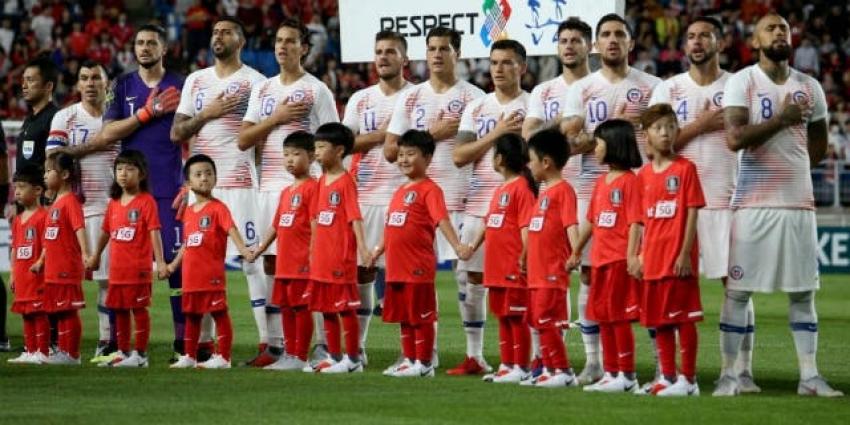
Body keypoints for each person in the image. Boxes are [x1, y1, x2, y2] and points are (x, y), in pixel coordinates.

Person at [715, 13, 843, 398]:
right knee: (738, 292)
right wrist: (784, 120)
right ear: (754, 41)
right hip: (752, 204)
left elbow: (817, 145)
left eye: (784, 28)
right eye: (771, 28)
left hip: (798, 204)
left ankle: (809, 377)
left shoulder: (810, 87)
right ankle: (731, 376)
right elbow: (735, 138)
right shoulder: (743, 81)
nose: (779, 33)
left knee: (804, 293)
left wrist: (794, 164)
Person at [648, 16, 759, 393]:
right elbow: (654, 147)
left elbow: (749, 137)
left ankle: (740, 372)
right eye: (691, 37)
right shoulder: (667, 90)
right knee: (669, 291)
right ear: (684, 46)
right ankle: (671, 373)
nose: (697, 42)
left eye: (704, 36)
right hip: (676, 210)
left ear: (720, 42)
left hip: (728, 200)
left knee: (738, 288)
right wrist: (702, 124)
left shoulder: (738, 84)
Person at [561, 13, 662, 384]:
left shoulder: (652, 86)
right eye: (605, 34)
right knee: (592, 278)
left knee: (647, 278)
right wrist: (609, 132)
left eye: (620, 33)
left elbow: (665, 138)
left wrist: (628, 129)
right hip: (593, 191)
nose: (612, 39)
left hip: (640, 192)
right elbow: (569, 146)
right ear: (596, 45)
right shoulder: (582, 89)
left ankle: (654, 363)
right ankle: (594, 362)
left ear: (631, 43)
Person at [385, 26, 486, 375]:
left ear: (457, 53)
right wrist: (434, 134)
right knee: (415, 282)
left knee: (467, 276)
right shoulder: (410, 98)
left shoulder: (475, 97)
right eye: (432, 48)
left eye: (445, 48)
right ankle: (420, 355)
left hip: (462, 196)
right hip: (417, 202)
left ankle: (474, 354)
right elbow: (390, 150)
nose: (438, 54)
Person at [170, 17, 271, 366]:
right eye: (215, 32)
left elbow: (259, 140)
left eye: (226, 31)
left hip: (241, 184)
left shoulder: (256, 83)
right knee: (200, 263)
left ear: (240, 40)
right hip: (201, 190)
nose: (218, 36)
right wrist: (208, 114)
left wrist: (259, 179)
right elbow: (177, 133)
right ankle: (204, 346)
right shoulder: (196, 81)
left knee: (250, 261)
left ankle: (267, 344)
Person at [239, 18, 339, 365]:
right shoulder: (264, 90)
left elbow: (333, 141)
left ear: (305, 48)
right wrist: (277, 118)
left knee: (313, 265)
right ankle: (279, 346)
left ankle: (321, 344)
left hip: (307, 191)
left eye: (291, 41)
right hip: (269, 189)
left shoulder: (317, 90)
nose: (283, 46)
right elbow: (244, 139)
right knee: (272, 266)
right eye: (279, 41)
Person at [99, 24, 187, 361]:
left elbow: (193, 132)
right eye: (139, 42)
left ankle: (183, 343)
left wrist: (190, 182)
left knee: (176, 269)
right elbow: (108, 133)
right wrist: (145, 113)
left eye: (152, 42)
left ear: (164, 48)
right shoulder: (121, 85)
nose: (145, 47)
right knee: (125, 269)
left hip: (170, 189)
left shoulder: (181, 84)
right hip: (130, 193)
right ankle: (124, 346)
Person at [452, 39, 529, 377]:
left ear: (522, 68)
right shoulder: (477, 108)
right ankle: (475, 356)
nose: (498, 69)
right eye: (494, 62)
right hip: (479, 205)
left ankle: (530, 358)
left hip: (519, 206)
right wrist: (496, 134)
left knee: (522, 283)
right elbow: (459, 156)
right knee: (472, 279)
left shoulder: (534, 104)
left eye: (507, 63)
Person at [371, 129, 468, 378]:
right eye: (401, 154)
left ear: (427, 158)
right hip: (395, 265)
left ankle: (424, 363)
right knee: (404, 316)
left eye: (410, 154)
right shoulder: (400, 191)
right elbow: (391, 225)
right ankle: (409, 359)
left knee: (420, 316)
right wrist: (377, 250)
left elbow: (441, 219)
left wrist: (457, 245)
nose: (403, 159)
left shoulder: (430, 190)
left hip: (417, 264)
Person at [341, 30, 411, 364]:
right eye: (379, 51)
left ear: (405, 59)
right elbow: (345, 144)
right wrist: (389, 136)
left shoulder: (416, 97)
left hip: (403, 197)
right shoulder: (360, 99)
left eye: (391, 52)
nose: (383, 57)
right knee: (362, 273)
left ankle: (415, 353)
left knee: (403, 279)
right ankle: (359, 349)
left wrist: (378, 140)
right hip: (365, 197)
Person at [47, 60, 119, 363]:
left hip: (110, 208)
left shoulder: (118, 118)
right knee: (66, 280)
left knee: (106, 280)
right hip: (76, 209)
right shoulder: (66, 116)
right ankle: (64, 346)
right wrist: (96, 143)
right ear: (78, 85)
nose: (90, 83)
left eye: (96, 78)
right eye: (84, 78)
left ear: (107, 84)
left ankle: (106, 341)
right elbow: (52, 157)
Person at [634, 104, 705, 396]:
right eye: (658, 127)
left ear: (677, 129)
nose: (665, 133)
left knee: (683, 319)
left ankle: (689, 380)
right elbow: (642, 220)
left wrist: (685, 253)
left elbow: (691, 212)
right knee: (659, 321)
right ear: (647, 135)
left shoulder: (685, 168)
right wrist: (638, 255)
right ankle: (667, 376)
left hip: (677, 260)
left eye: (670, 126)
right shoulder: (644, 175)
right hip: (652, 259)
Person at [569, 119, 643, 393]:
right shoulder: (601, 182)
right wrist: (576, 249)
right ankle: (611, 373)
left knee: (619, 318)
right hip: (599, 259)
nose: (594, 148)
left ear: (612, 145)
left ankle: (627, 375)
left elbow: (636, 221)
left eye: (598, 143)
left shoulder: (630, 182)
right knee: (603, 317)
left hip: (618, 261)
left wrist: (632, 255)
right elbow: (592, 220)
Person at [168, 154, 254, 369]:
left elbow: (231, 229)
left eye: (208, 173)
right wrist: (173, 265)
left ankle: (224, 358)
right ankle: (189, 355)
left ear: (215, 178)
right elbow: (188, 243)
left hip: (211, 273)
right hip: (191, 275)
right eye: (198, 175)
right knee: (192, 315)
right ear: (188, 183)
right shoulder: (188, 212)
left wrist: (243, 249)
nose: (204, 178)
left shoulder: (218, 208)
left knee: (219, 313)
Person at [464, 133, 537, 384]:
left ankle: (522, 366)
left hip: (512, 263)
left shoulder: (521, 189)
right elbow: (490, 221)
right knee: (503, 316)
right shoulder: (500, 189)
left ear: (500, 159)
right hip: (495, 265)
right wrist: (474, 245)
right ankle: (507, 365)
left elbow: (526, 227)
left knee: (516, 317)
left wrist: (525, 256)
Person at [87, 150, 167, 367]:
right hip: (117, 269)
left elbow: (154, 231)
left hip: (137, 268)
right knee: (119, 309)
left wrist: (160, 262)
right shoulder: (113, 203)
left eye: (130, 169)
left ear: (141, 174)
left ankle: (140, 355)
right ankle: (122, 352)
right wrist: (95, 256)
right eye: (119, 169)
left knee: (138, 310)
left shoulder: (146, 201)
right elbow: (105, 231)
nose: (123, 174)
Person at [305, 123, 371, 374]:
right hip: (321, 257)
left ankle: (353, 359)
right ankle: (333, 357)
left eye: (322, 147)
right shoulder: (321, 181)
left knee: (345, 309)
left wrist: (363, 248)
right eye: (316, 147)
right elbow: (316, 219)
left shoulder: (346, 182)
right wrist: (312, 250)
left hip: (339, 257)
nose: (317, 152)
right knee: (325, 310)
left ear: (339, 150)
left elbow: (355, 217)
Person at [252, 131, 318, 371]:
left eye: (296, 154)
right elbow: (277, 225)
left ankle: (300, 356)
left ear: (311, 157)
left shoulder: (313, 188)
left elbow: (315, 225)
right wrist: (260, 249)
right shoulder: (286, 192)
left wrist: (313, 255)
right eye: (286, 155)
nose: (290, 159)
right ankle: (289, 354)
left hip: (302, 260)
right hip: (284, 261)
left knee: (301, 308)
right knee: (286, 307)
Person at [523, 129, 579, 388]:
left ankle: (563, 371)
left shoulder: (563, 191)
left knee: (547, 320)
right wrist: (524, 256)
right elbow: (536, 229)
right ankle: (548, 367)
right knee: (537, 320)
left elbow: (570, 224)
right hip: (536, 270)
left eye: (531, 159)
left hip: (552, 269)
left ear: (546, 162)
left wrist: (576, 251)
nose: (528, 164)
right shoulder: (544, 193)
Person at [39, 151, 90, 365]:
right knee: (59, 311)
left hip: (66, 265)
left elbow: (79, 228)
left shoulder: (70, 202)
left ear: (65, 174)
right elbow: (49, 237)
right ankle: (63, 350)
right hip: (53, 266)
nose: (45, 175)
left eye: (49, 171)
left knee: (68, 310)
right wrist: (41, 260)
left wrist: (86, 254)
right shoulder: (55, 203)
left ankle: (72, 354)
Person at [6, 164, 48, 364]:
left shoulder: (44, 217)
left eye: (22, 187)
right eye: (16, 188)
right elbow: (15, 247)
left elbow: (48, 245)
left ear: (38, 190)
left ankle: (42, 351)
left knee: (38, 312)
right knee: (25, 313)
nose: (18, 192)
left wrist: (40, 261)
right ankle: (30, 351)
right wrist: (13, 273)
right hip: (22, 274)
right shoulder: (17, 219)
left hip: (37, 274)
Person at [15, 56, 59, 172]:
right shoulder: (29, 119)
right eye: (23, 80)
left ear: (48, 86)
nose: (24, 86)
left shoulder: (56, 119)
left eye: (30, 80)